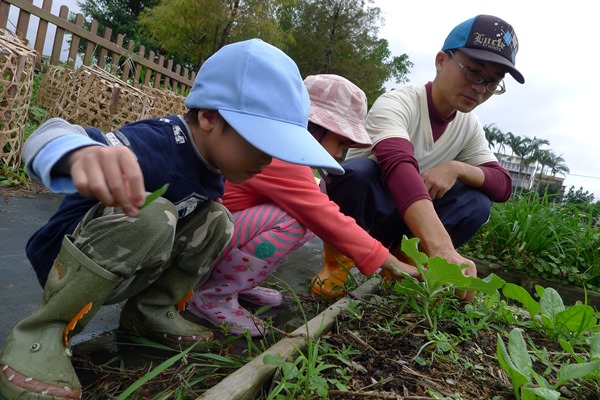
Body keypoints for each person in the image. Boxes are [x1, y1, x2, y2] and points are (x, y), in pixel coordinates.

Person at [0, 39, 344, 400]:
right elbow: (51, 131)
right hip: (68, 260)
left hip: (129, 264)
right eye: (259, 143)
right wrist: (80, 154)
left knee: (217, 219)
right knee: (157, 214)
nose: (266, 160)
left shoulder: (214, 165)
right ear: (210, 116)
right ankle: (43, 333)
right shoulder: (160, 143)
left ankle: (150, 310)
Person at [187, 74, 421, 337]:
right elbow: (324, 216)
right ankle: (213, 295)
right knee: (296, 221)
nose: (339, 154)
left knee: (300, 215)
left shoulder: (277, 150)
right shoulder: (281, 158)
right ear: (312, 126)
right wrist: (388, 261)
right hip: (198, 245)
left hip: (206, 235)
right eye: (341, 142)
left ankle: (234, 283)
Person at [311, 15, 523, 303]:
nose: (479, 88)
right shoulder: (398, 102)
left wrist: (457, 168)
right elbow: (397, 164)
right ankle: (338, 267)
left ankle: (406, 265)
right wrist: (442, 248)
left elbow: (503, 185)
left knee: (477, 201)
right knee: (358, 172)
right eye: (473, 71)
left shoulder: (468, 125)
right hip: (368, 219)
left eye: (492, 82)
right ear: (440, 61)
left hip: (407, 228)